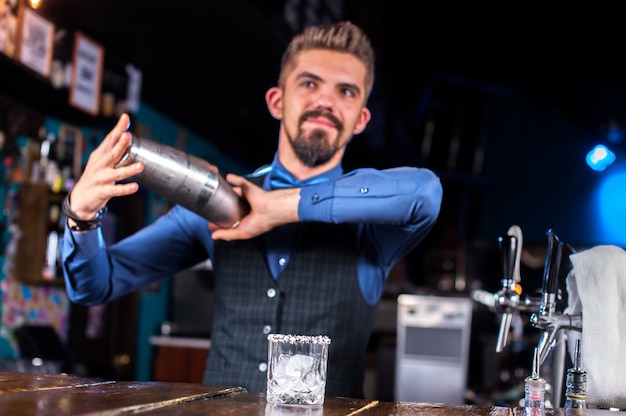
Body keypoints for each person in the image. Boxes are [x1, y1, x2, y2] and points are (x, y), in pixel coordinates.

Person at [61, 21, 443, 398]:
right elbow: (95, 285)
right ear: (277, 101)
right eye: (309, 84)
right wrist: (80, 217)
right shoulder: (217, 202)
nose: (325, 101)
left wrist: (284, 206)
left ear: (361, 118)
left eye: (346, 91)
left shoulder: (371, 227)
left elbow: (425, 193)